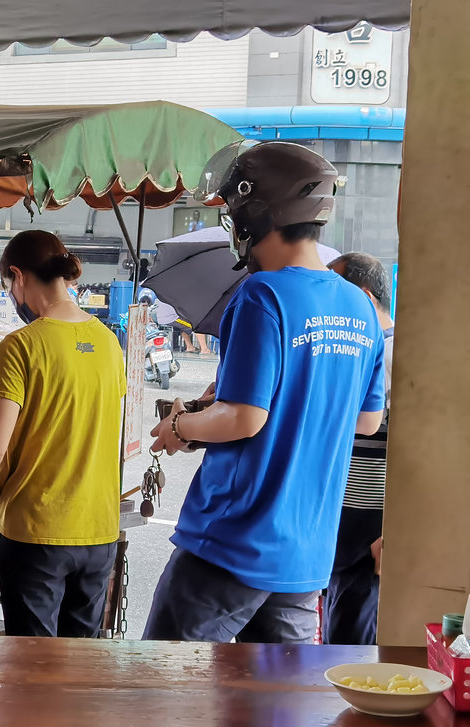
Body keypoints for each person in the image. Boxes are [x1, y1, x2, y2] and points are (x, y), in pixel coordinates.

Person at [143, 142, 386, 643]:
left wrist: (178, 426)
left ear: (254, 214)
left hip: (233, 540)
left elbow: (244, 418)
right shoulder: (359, 307)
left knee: (163, 693)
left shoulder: (263, 293)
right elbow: (365, 421)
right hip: (307, 551)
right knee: (273, 709)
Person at [0, 230, 125, 638]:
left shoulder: (20, 345)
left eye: (6, 286)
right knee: (77, 666)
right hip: (99, 530)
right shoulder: (108, 343)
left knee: (33, 670)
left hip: (37, 532)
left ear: (17, 276)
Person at [322, 252, 395, 645]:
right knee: (335, 629)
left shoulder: (397, 353)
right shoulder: (360, 348)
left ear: (365, 299)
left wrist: (394, 531)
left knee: (350, 640)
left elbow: (415, 455)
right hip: (341, 515)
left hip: (371, 526)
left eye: (337, 294)